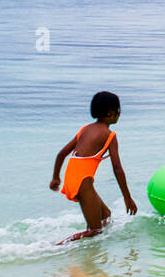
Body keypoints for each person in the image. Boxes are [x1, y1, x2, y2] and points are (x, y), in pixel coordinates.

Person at [50, 91, 137, 242]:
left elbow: (61, 154)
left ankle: (96, 255)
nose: (119, 114)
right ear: (111, 112)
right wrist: (127, 197)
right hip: (83, 183)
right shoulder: (109, 136)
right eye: (119, 110)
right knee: (95, 231)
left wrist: (56, 177)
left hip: (72, 178)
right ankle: (55, 246)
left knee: (106, 216)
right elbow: (117, 169)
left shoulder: (84, 129)